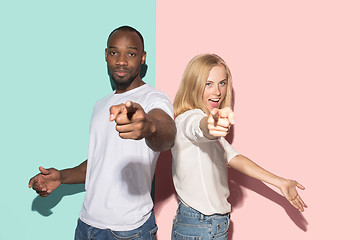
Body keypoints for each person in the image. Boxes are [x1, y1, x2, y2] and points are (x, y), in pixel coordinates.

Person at [28, 26, 176, 240]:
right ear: (106, 55)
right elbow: (100, 163)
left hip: (129, 230)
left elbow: (167, 132)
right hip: (86, 226)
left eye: (131, 54)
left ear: (143, 58)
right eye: (115, 52)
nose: (122, 61)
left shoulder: (153, 98)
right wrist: (61, 176)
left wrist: (149, 126)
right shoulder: (100, 106)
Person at [171, 53, 307, 240]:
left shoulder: (213, 135)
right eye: (208, 84)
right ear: (193, 84)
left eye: (222, 83)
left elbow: (234, 158)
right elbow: (198, 128)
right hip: (199, 225)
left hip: (214, 224)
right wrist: (210, 124)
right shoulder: (187, 119)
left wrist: (280, 182)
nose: (218, 92)